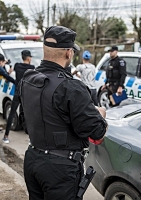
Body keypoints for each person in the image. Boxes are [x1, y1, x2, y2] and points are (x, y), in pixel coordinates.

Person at [19, 25, 108, 200]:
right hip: (60, 169)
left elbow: (27, 118)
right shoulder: (71, 86)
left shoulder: (29, 78)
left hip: (32, 158)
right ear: (68, 53)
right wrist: (100, 115)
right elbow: (97, 132)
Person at [2, 50, 35, 144]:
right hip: (26, 94)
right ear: (28, 58)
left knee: (12, 113)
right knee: (28, 115)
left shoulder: (17, 65)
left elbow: (9, 72)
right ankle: (30, 139)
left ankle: (6, 136)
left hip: (17, 93)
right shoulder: (32, 68)